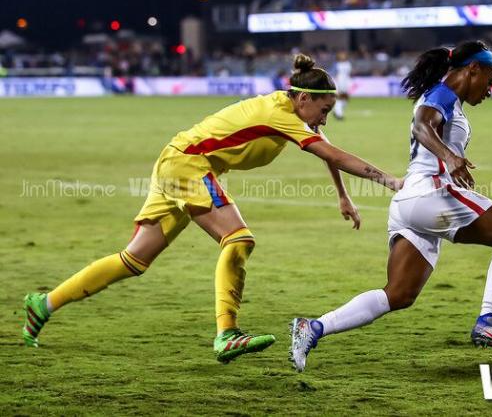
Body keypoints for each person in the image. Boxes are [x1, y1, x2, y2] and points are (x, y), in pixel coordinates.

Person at [22, 54, 403, 363]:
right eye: (324, 108)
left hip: (178, 159)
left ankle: (45, 303)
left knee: (133, 260)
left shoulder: (290, 110)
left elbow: (323, 144)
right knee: (238, 239)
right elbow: (332, 152)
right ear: (304, 99)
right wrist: (391, 182)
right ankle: (227, 334)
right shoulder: (281, 115)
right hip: (189, 164)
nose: (325, 116)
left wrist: (343, 194)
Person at [290, 41, 492, 372]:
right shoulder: (443, 93)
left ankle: (313, 328)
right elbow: (422, 124)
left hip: (409, 202)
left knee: (398, 294)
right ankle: (489, 320)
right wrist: (450, 157)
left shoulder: (443, 95)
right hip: (432, 194)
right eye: (490, 81)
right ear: (472, 69)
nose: (490, 90)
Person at [333, 51, 352, 120]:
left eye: (344, 55)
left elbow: (349, 73)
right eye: (341, 55)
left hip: (346, 83)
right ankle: (339, 114)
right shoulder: (337, 64)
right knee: (339, 98)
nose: (343, 57)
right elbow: (333, 73)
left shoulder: (348, 64)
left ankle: (336, 111)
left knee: (346, 100)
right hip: (339, 83)